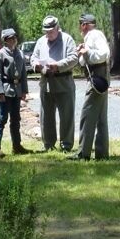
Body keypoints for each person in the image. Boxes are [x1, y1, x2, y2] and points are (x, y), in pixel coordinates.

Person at [30, 15, 78, 152]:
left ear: (57, 28)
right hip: (46, 83)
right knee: (46, 117)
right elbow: (34, 57)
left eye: (51, 31)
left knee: (67, 116)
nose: (48, 34)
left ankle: (66, 144)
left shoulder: (67, 39)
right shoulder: (40, 42)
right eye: (46, 32)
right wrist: (36, 65)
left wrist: (57, 65)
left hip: (64, 82)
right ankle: (48, 144)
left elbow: (74, 58)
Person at [68, 13, 110, 161]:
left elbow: (104, 53)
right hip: (99, 79)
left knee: (87, 115)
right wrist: (83, 52)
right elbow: (83, 61)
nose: (80, 28)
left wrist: (88, 51)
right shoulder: (91, 37)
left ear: (84, 25)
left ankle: (83, 153)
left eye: (81, 24)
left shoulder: (94, 35)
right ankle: (102, 153)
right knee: (100, 118)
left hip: (96, 79)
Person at [0, 27, 31, 158]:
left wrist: (24, 90)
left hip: (17, 91)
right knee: (2, 119)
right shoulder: (1, 55)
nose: (14, 40)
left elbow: (23, 74)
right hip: (5, 90)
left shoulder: (19, 54)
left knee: (16, 119)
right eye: (11, 38)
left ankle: (17, 146)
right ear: (6, 40)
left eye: (15, 37)